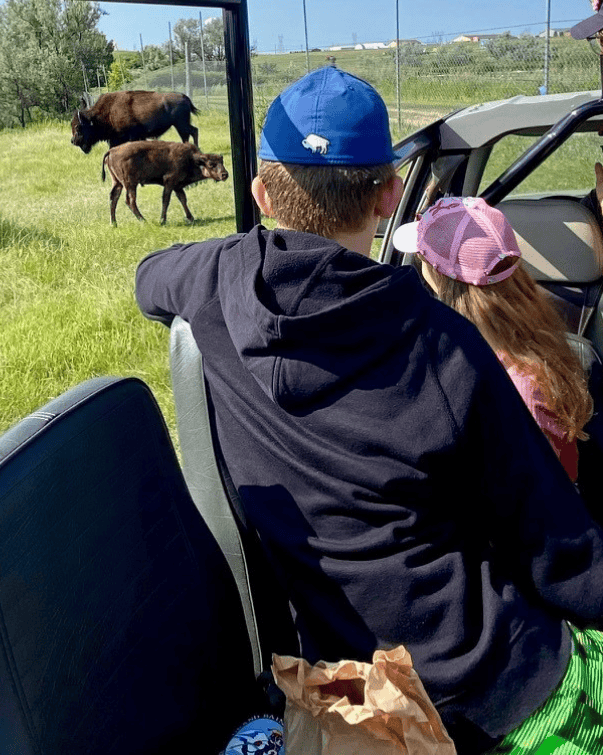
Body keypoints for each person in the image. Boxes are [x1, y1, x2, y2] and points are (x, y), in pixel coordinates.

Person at [135, 65, 603, 754]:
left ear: (262, 193)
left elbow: (148, 277)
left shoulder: (209, 284)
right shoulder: (444, 342)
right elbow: (557, 552)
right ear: (388, 196)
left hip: (345, 690)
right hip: (491, 688)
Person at [392, 196, 592, 481]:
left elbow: (533, 502)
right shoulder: (537, 340)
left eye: (422, 256)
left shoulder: (517, 387)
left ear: (439, 274)